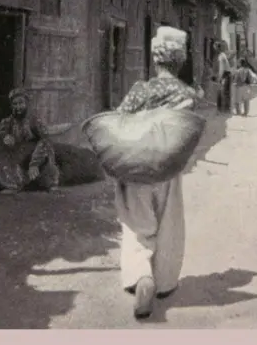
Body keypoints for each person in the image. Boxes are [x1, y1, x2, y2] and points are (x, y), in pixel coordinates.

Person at [112, 26, 197, 320]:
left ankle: (141, 276)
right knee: (169, 223)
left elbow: (119, 122)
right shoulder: (187, 94)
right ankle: (163, 282)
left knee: (137, 224)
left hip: (137, 166)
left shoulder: (141, 90)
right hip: (168, 168)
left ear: (156, 60)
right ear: (180, 61)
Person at [0, 88, 60, 194]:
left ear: (26, 103)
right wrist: (4, 137)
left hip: (36, 156)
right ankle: (12, 184)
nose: (18, 107)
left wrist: (34, 163)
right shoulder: (8, 122)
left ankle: (51, 182)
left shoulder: (34, 121)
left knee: (48, 146)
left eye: (21, 103)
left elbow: (45, 139)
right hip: (19, 158)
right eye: (15, 104)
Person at [215, 40, 232, 114]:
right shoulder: (223, 55)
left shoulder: (221, 56)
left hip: (225, 75)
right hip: (228, 74)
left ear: (217, 48)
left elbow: (221, 68)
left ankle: (223, 109)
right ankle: (226, 109)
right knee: (226, 92)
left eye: (215, 48)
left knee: (222, 92)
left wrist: (219, 78)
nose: (214, 49)